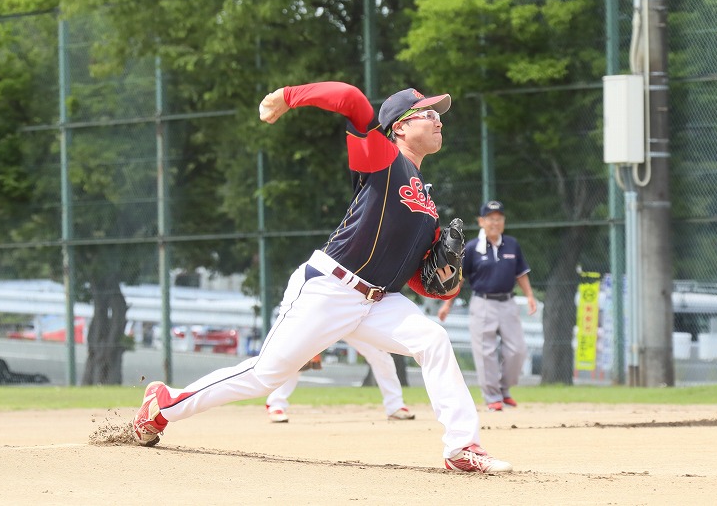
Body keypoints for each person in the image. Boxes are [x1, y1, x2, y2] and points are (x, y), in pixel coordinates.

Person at [132, 81, 512, 473]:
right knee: (265, 376)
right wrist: (287, 96)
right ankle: (165, 403)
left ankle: (461, 447)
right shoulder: (381, 157)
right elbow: (352, 100)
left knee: (433, 340)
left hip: (379, 300)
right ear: (399, 126)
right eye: (428, 114)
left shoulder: (427, 200)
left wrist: (445, 280)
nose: (438, 121)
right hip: (331, 287)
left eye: (438, 115)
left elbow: (419, 278)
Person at [438, 200, 537, 412]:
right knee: (486, 352)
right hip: (482, 303)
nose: (495, 222)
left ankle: (504, 389)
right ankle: (492, 396)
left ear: (503, 221)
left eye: (499, 218)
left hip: (508, 302)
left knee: (518, 350)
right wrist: (447, 304)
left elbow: (521, 273)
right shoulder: (472, 248)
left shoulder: (512, 244)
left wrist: (529, 296)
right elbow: (459, 279)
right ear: (481, 221)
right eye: (490, 219)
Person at [265, 340, 415, 423]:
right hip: (324, 313)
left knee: (380, 354)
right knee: (298, 356)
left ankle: (395, 405)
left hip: (355, 312)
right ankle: (276, 404)